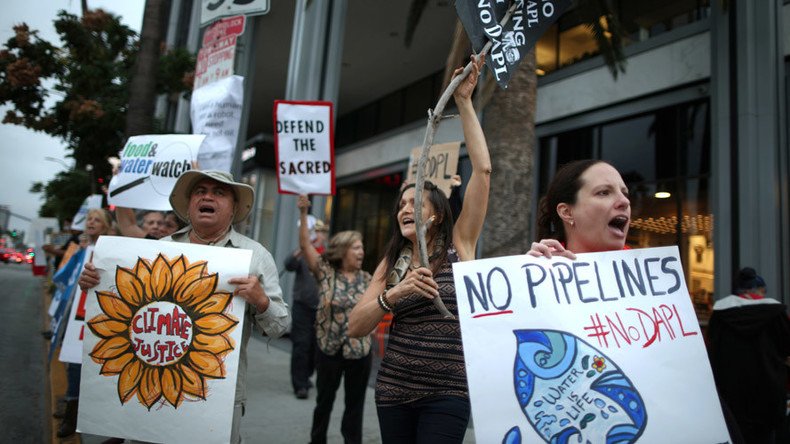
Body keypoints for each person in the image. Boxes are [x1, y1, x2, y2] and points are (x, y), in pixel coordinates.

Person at [79, 170, 290, 443]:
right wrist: (95, 283)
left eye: (219, 192)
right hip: (149, 391)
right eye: (200, 191)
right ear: (189, 204)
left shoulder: (256, 256)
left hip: (218, 396)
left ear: (234, 207)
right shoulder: (156, 250)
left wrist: (261, 301)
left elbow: (281, 327)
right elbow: (120, 302)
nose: (207, 196)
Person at [347, 53, 491, 443]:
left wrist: (463, 102)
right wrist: (395, 294)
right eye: (401, 206)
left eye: (415, 203)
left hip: (447, 393)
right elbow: (355, 326)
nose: (405, 209)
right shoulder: (392, 261)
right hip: (393, 391)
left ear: (438, 215)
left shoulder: (462, 243)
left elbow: (482, 171)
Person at [297, 194, 372, 444]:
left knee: (355, 406)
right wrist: (303, 213)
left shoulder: (369, 279)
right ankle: (317, 440)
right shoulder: (326, 274)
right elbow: (307, 247)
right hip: (328, 349)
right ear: (343, 250)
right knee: (324, 402)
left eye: (362, 247)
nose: (361, 252)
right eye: (356, 247)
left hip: (359, 351)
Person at [708, 267, 790, 444]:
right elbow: (786, 346)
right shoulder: (775, 314)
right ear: (760, 290)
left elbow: (712, 349)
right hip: (768, 390)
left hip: (732, 392)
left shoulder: (721, 314)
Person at [59, 208, 113, 438]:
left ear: (106, 226)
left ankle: (86, 415)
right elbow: (64, 275)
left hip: (95, 316)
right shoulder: (81, 249)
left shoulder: (110, 250)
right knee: (73, 363)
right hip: (76, 313)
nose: (91, 222)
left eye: (97, 220)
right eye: (89, 219)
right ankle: (70, 413)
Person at [527, 159, 631, 259]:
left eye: (625, 193)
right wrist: (530, 271)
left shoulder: (645, 273)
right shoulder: (543, 271)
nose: (625, 201)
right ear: (567, 212)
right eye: (604, 192)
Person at [285, 216, 329, 400]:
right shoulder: (303, 252)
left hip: (320, 309)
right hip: (302, 306)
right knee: (301, 345)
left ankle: (306, 375)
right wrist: (301, 249)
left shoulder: (327, 255)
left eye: (321, 232)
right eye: (315, 232)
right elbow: (288, 265)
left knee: (315, 347)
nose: (318, 235)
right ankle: (300, 384)